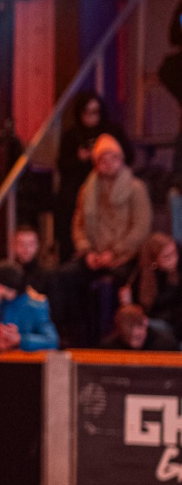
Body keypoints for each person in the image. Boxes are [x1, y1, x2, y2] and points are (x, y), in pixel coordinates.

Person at [57, 134, 152, 345]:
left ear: (121, 160)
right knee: (64, 276)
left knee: (109, 285)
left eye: (113, 158)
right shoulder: (87, 189)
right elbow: (78, 224)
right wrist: (87, 251)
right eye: (103, 159)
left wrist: (114, 252)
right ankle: (75, 337)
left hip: (124, 256)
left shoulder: (135, 188)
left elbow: (141, 228)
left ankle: (108, 339)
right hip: (94, 255)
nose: (108, 163)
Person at [55, 92, 127, 260]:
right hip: (78, 187)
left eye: (95, 112)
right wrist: (79, 158)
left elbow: (128, 155)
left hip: (110, 187)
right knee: (71, 213)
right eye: (86, 112)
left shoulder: (111, 131)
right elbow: (62, 164)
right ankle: (75, 257)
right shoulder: (71, 135)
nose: (91, 117)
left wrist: (106, 156)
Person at [0, 260, 59, 354]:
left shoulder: (36, 307)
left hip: (23, 361)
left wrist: (20, 340)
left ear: (9, 288)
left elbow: (52, 341)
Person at [125, 233, 182, 343]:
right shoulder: (141, 276)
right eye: (167, 256)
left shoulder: (179, 270)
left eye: (174, 253)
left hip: (175, 322)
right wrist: (127, 303)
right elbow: (141, 308)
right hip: (153, 322)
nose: (174, 259)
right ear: (154, 260)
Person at [102, 303, 178, 352]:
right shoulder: (108, 349)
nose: (132, 343)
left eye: (137, 337)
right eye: (127, 337)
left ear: (145, 322)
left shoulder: (166, 346)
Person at [12, 224, 54, 297]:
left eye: (30, 244)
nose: (26, 249)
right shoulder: (9, 274)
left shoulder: (47, 276)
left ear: (37, 245)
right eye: (21, 244)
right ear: (14, 245)